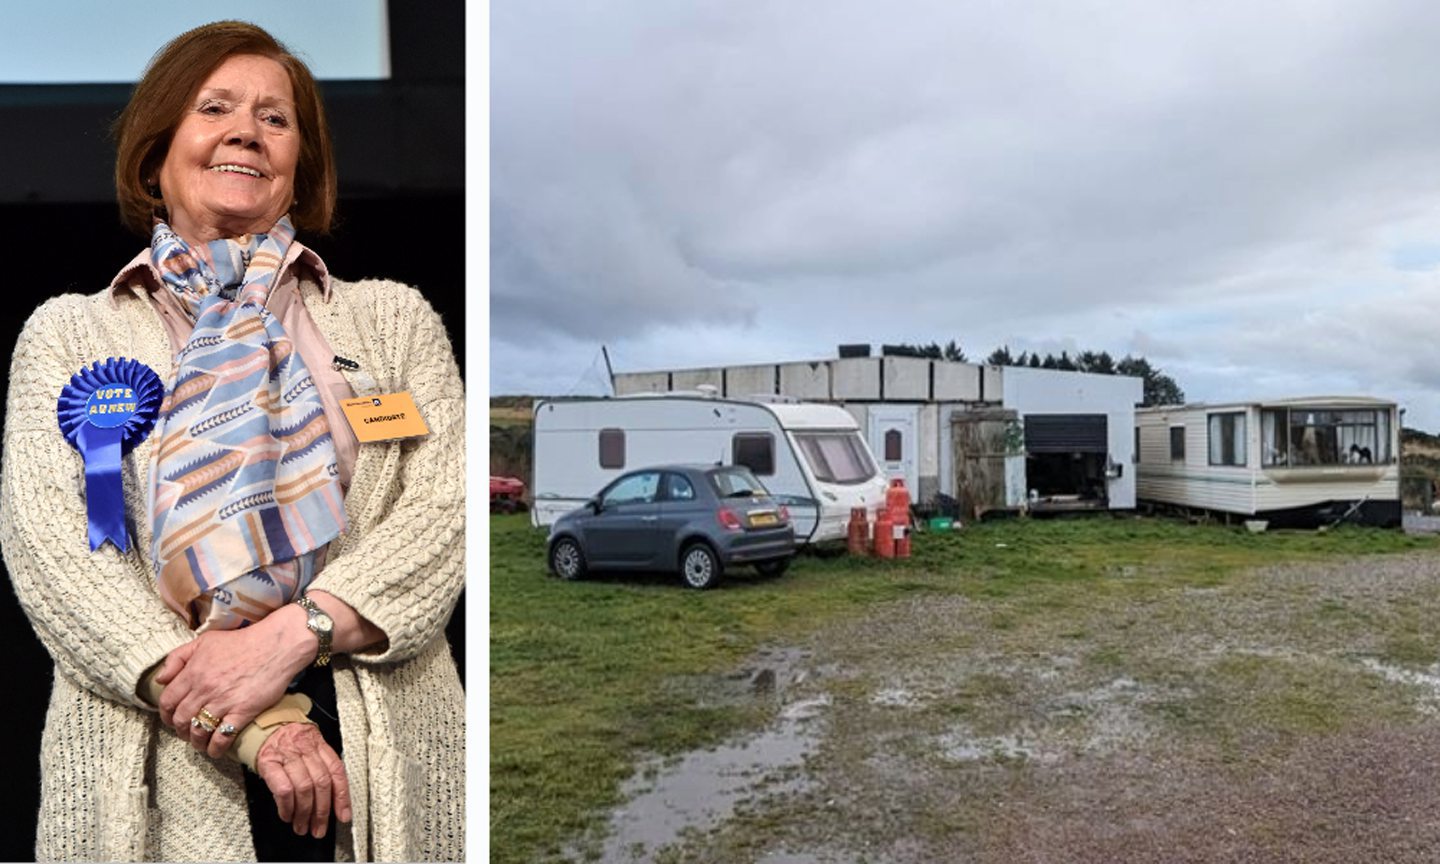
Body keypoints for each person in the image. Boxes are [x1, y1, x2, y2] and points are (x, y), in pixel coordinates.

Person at [0, 21, 465, 862]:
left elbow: (448, 510)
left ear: (300, 165)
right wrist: (254, 718)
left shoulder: (390, 320)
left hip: (373, 737)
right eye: (214, 108)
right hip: (154, 740)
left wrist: (289, 640)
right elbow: (52, 552)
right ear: (156, 154)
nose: (248, 130)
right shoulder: (68, 334)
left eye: (276, 119)